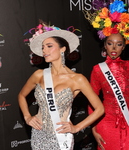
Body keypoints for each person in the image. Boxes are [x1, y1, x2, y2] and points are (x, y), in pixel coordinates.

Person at [18, 21, 104, 150]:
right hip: (39, 134)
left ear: (62, 48)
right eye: (43, 47)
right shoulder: (39, 75)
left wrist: (76, 127)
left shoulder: (77, 79)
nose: (44, 50)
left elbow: (100, 109)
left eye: (49, 46)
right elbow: (21, 95)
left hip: (61, 137)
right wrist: (27, 116)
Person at [84, 0, 129, 149]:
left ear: (124, 46)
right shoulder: (97, 69)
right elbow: (91, 100)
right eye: (110, 43)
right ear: (105, 46)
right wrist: (94, 128)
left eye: (119, 44)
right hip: (105, 124)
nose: (114, 47)